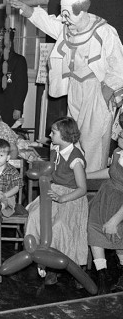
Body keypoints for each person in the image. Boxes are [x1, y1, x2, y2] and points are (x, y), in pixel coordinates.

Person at [8, 0, 123, 171]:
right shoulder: (67, 27)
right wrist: (27, 9)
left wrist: (105, 93)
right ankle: (73, 176)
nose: (65, 22)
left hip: (96, 89)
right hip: (75, 88)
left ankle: (90, 184)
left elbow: (119, 65)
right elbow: (49, 23)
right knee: (73, 134)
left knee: (93, 140)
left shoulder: (104, 31)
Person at [26, 117, 88, 286]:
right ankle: (40, 259)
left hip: (71, 197)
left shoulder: (76, 158)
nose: (49, 135)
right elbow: (50, 169)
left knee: (59, 227)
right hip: (53, 191)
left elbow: (82, 189)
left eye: (53, 132)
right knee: (34, 216)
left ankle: (69, 268)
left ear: (65, 135)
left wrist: (62, 198)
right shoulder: (55, 148)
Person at [87, 115, 123, 294]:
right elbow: (110, 172)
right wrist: (85, 175)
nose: (120, 135)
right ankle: (102, 274)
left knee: (119, 239)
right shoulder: (118, 152)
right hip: (106, 196)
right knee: (94, 228)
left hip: (121, 206)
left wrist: (115, 221)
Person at [0, 28, 28, 127]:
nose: (0, 43)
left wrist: (18, 107)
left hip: (11, 106)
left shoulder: (19, 60)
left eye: (3, 41)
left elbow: (22, 86)